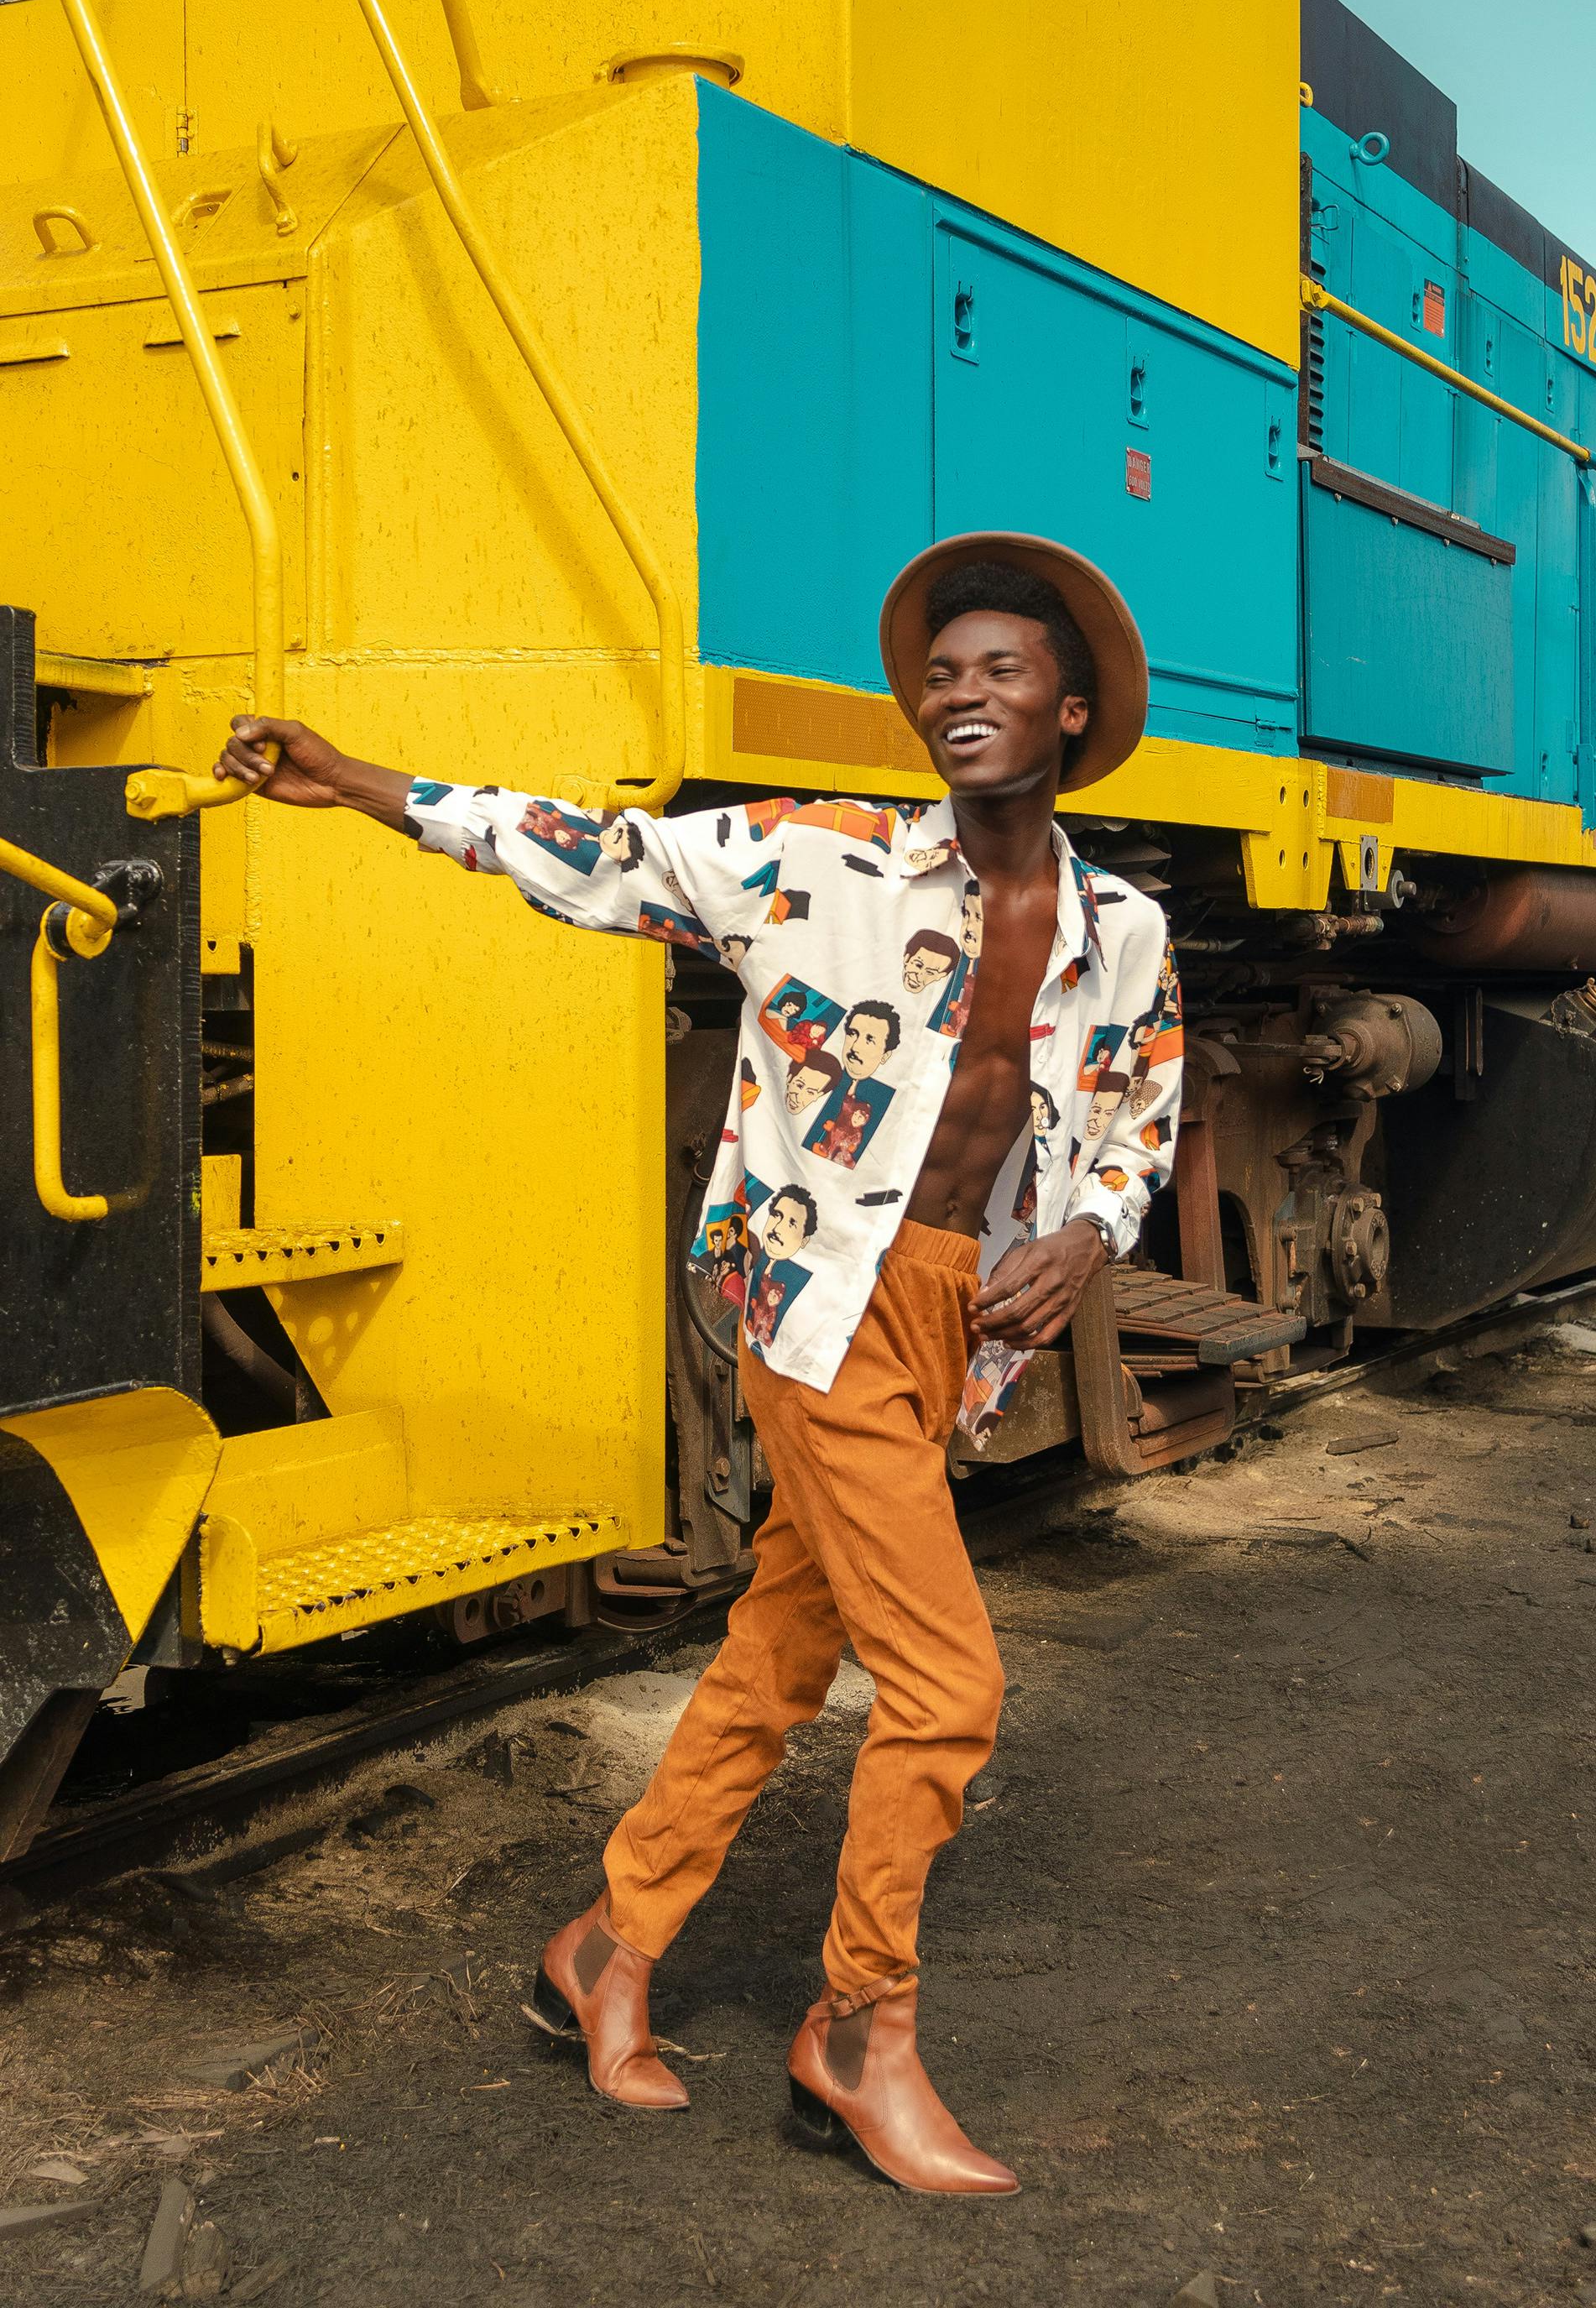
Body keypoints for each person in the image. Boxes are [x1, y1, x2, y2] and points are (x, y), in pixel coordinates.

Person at [211, 530, 1180, 2198]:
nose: (958, 695)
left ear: (1069, 711)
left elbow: (1133, 1119)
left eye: (997, 672)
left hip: (952, 1316)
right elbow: (587, 848)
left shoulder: (1124, 928)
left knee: (781, 1657)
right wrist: (361, 782)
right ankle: (861, 2031)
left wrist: (1090, 1232)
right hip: (818, 1302)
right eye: (940, 674)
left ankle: (607, 1940)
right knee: (950, 1690)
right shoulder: (822, 857)